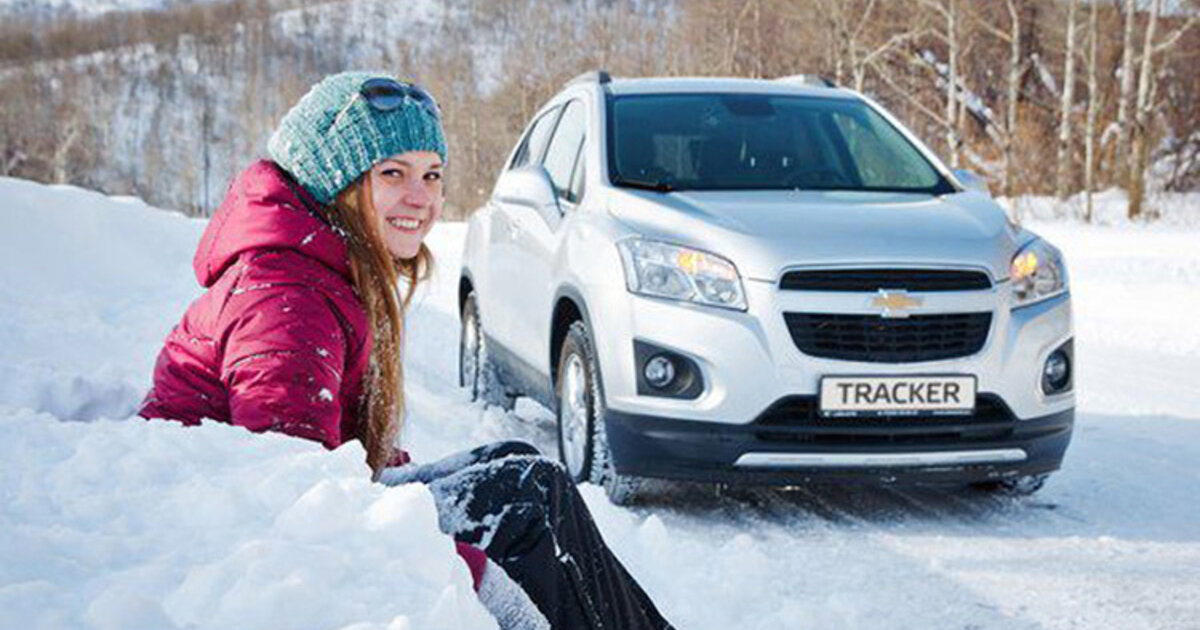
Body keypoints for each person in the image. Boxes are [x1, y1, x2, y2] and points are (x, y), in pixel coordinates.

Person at [139, 71, 673, 630]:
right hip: (217, 542)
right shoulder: (285, 301)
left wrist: (412, 494)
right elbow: (295, 502)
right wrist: (468, 577)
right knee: (521, 497)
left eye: (432, 175)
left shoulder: (320, 272)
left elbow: (341, 447)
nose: (420, 197)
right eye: (393, 173)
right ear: (336, 183)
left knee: (523, 468)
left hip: (281, 504)